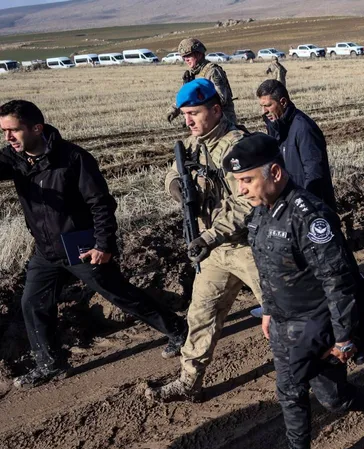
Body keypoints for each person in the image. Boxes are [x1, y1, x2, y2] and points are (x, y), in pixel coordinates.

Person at [225, 133, 364, 449]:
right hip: (282, 320)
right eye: (237, 182)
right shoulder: (261, 213)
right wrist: (267, 310)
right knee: (334, 398)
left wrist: (344, 337)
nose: (241, 190)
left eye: (246, 180)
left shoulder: (309, 215)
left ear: (274, 172)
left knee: (290, 390)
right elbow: (269, 270)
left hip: (314, 325)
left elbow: (337, 281)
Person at [0, 100, 187, 389]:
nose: (8, 138)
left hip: (80, 245)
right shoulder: (15, 158)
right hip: (46, 250)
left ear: (36, 128)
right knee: (32, 302)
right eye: (3, 132)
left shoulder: (74, 159)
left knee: (118, 294)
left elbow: (101, 204)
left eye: (13, 130)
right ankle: (50, 364)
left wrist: (104, 244)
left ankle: (178, 330)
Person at [146, 79, 262, 402]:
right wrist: (176, 188)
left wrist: (209, 235)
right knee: (200, 315)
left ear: (215, 109)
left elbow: (248, 203)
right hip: (213, 250)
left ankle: (317, 364)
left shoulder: (237, 145)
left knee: (284, 312)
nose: (189, 121)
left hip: (249, 246)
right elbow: (173, 172)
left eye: (194, 113)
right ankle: (189, 380)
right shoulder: (195, 144)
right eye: (184, 115)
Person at [257, 79, 336, 210]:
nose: (263, 111)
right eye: (261, 106)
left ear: (283, 102)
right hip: (288, 204)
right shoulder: (275, 126)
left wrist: (306, 208)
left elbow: (314, 175)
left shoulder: (304, 128)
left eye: (268, 105)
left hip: (309, 207)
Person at [166, 38, 237, 125]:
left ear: (199, 54)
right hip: (204, 122)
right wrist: (175, 109)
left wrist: (194, 107)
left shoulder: (213, 71)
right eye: (184, 57)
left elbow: (221, 99)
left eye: (189, 56)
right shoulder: (192, 74)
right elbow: (188, 97)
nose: (186, 60)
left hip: (222, 122)